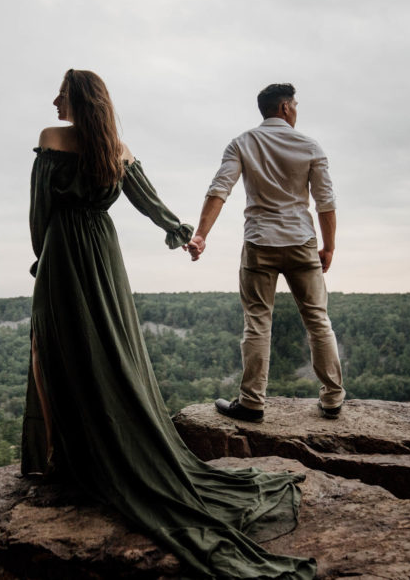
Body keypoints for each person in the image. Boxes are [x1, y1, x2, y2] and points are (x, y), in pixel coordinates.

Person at [21, 69, 316, 579]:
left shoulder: (52, 140)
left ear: (79, 100)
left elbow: (39, 211)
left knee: (57, 350)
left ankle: (65, 460)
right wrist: (183, 234)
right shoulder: (117, 148)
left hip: (63, 252)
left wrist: (41, 257)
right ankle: (97, 452)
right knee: (107, 349)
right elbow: (147, 202)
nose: (53, 101)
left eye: (61, 94)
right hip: (103, 252)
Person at [187, 83, 345, 423]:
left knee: (258, 322)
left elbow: (219, 190)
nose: (297, 110)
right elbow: (325, 203)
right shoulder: (310, 146)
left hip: (260, 242)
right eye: (296, 105)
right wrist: (328, 246)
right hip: (301, 241)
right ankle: (332, 398)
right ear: (286, 108)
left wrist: (201, 235)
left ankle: (252, 403)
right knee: (317, 319)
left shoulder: (242, 143)